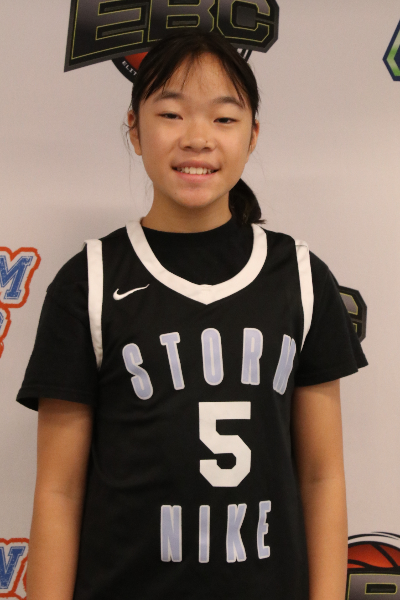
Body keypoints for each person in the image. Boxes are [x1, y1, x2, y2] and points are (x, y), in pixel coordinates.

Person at [17, 31, 367, 600]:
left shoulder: (300, 279)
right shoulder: (90, 281)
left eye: (224, 118)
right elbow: (59, 492)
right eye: (171, 114)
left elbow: (321, 477)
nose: (197, 138)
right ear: (135, 129)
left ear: (253, 136)